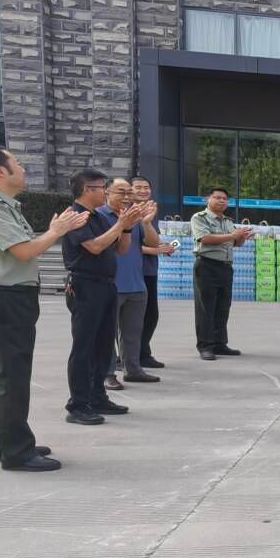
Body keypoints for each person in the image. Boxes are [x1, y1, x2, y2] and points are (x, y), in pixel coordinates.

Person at [0, 145, 89, 471]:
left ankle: (5, 441)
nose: (22, 168)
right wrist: (57, 231)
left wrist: (56, 230)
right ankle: (17, 452)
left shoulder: (2, 205)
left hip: (5, 298)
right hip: (0, 299)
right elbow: (24, 252)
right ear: (0, 171)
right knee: (11, 377)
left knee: (6, 375)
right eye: (16, 163)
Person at [62, 169, 145, 425]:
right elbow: (95, 247)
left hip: (107, 285)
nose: (105, 192)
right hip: (86, 286)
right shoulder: (75, 216)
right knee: (84, 346)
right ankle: (78, 404)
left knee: (103, 345)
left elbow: (121, 249)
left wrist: (126, 228)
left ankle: (97, 397)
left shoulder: (98, 216)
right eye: (101, 188)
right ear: (87, 189)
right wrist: (120, 224)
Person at [102, 179, 159, 387]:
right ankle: (107, 373)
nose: (126, 197)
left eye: (129, 193)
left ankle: (133, 369)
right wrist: (122, 224)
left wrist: (146, 222)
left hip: (136, 283)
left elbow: (153, 243)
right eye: (121, 192)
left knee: (133, 332)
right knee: (106, 333)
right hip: (110, 284)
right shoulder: (99, 216)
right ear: (107, 192)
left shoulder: (135, 216)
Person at [191, 187, 253, 361]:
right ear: (208, 200)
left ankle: (219, 343)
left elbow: (236, 243)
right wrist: (232, 235)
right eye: (217, 197)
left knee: (223, 307)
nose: (221, 201)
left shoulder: (228, 221)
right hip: (207, 265)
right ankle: (205, 346)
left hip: (225, 267)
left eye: (224, 199)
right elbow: (205, 238)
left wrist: (242, 236)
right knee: (206, 308)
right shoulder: (199, 218)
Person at [131, 175, 172, 369]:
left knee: (150, 315)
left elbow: (150, 240)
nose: (143, 191)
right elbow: (126, 244)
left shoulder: (149, 210)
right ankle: (127, 356)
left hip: (149, 270)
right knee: (131, 317)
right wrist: (155, 250)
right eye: (138, 187)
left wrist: (162, 246)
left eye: (146, 187)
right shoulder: (126, 212)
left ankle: (142, 353)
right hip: (133, 271)